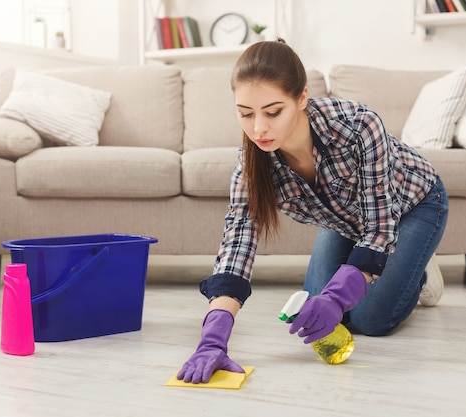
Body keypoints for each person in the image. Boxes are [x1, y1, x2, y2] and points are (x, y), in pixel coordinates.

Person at [176, 39, 449, 384]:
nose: (258, 128)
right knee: (316, 313)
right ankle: (384, 265)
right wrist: (212, 338)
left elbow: (380, 228)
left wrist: (339, 296)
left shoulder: (358, 126)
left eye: (273, 112)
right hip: (344, 221)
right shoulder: (251, 164)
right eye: (245, 113)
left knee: (370, 320)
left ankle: (416, 268)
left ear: (302, 98)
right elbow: (237, 246)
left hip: (412, 205)